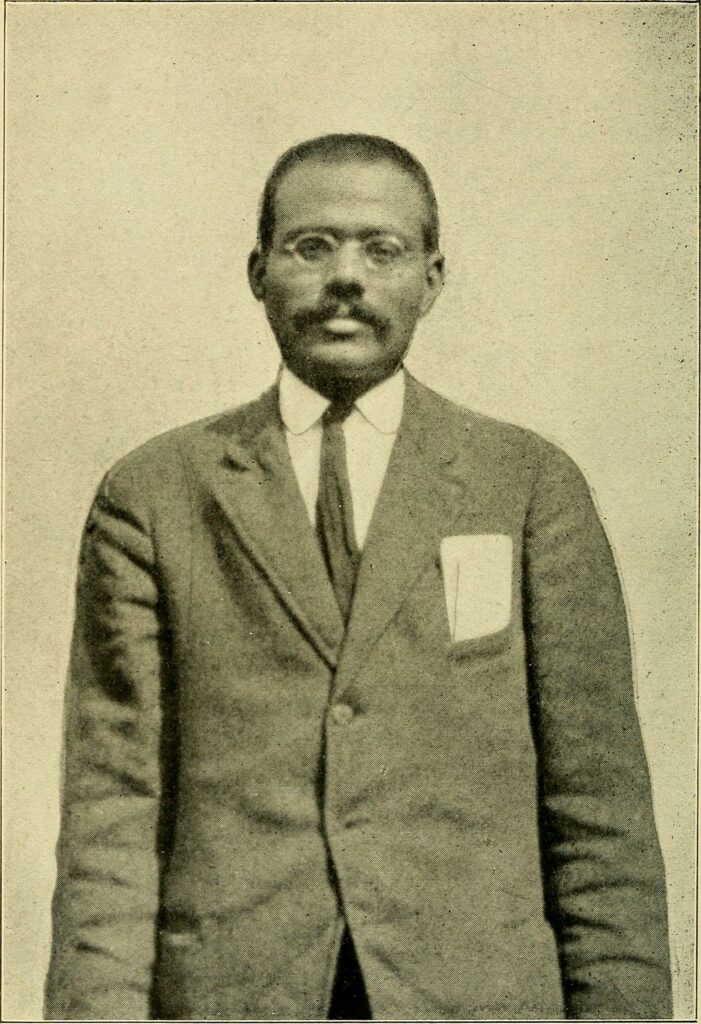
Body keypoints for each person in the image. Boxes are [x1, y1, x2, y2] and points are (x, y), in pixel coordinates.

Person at [45, 133, 672, 1022]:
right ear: (258, 271)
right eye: (312, 246)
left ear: (432, 277)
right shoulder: (152, 495)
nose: (347, 276)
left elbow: (596, 808)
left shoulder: (527, 485)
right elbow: (113, 809)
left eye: (382, 249)